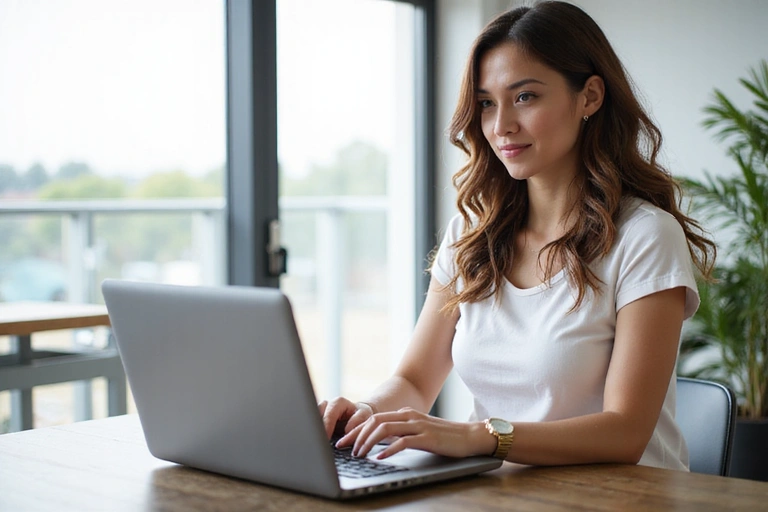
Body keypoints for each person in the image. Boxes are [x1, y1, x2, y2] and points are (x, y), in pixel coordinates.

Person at [319, 0, 715, 470]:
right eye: (487, 103)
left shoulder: (645, 236)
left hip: (620, 498)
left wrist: (479, 437)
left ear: (589, 96)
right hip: (500, 493)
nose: (501, 125)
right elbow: (414, 379)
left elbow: (625, 432)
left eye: (525, 97)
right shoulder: (471, 233)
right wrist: (367, 413)